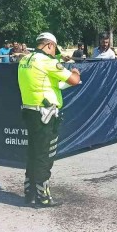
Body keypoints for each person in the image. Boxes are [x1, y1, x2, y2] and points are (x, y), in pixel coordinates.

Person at [18, 32, 80, 207]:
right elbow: (74, 80)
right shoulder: (48, 62)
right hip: (46, 115)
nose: (55, 54)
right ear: (49, 45)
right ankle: (43, 196)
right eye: (55, 50)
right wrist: (74, 71)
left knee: (33, 152)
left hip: (30, 111)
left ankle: (29, 192)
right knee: (46, 154)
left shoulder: (25, 60)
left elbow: (47, 84)